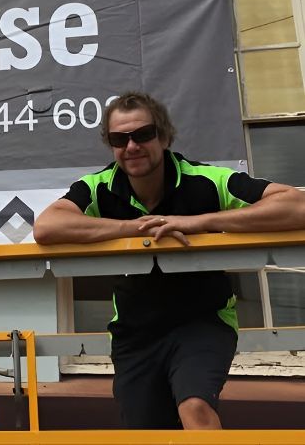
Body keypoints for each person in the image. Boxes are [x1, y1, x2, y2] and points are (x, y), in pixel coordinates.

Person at [33, 92, 305, 430]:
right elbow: (46, 226)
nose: (132, 146)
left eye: (143, 135)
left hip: (203, 320)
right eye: (120, 139)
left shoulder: (206, 180)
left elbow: (296, 206)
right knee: (146, 431)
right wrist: (129, 229)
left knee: (196, 408)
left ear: (164, 136)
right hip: (135, 330)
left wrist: (200, 221)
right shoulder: (99, 187)